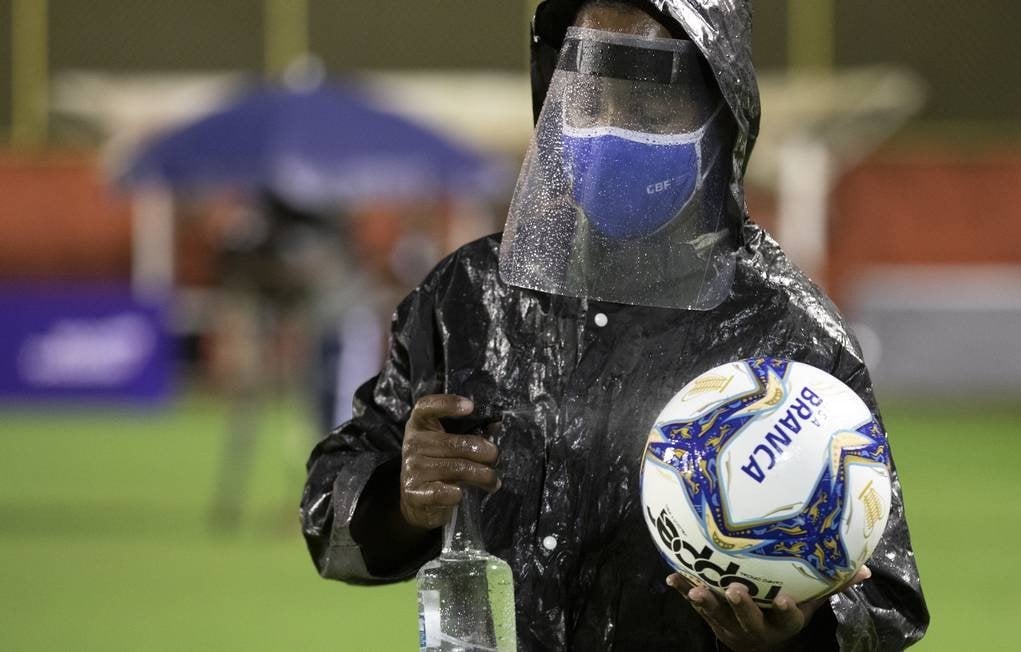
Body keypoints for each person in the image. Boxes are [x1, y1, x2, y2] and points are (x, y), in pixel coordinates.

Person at [300, 1, 929, 649]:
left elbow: (880, 598)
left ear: (720, 111)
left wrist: (796, 637)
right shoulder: (468, 295)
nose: (609, 132)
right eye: (590, 99)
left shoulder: (790, 331)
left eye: (651, 109)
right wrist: (400, 504)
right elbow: (329, 524)